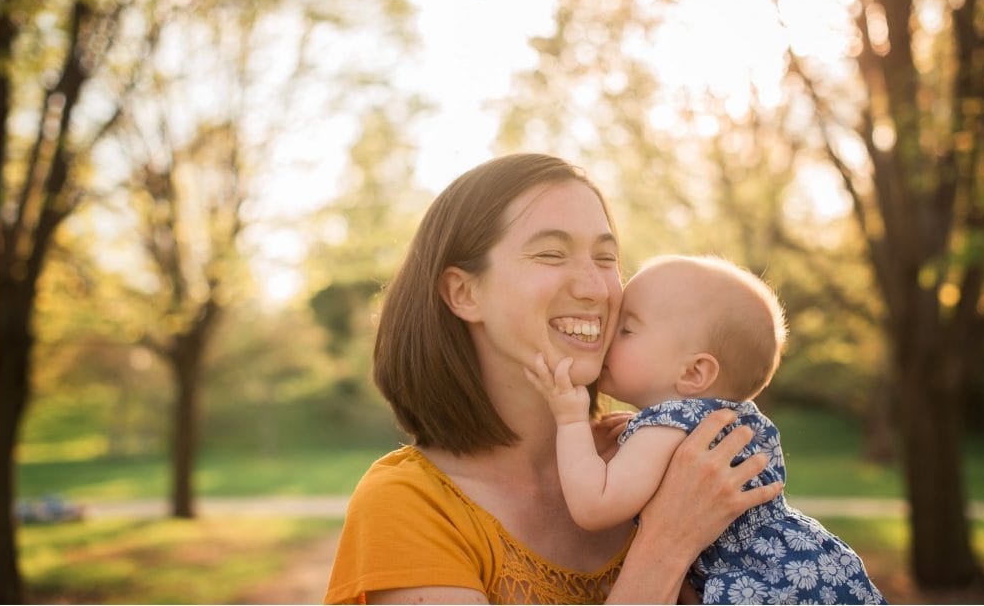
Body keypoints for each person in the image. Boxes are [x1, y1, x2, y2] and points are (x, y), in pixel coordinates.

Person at [324, 154, 784, 604]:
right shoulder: (408, 505)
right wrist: (667, 542)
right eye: (551, 254)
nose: (595, 287)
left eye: (606, 258)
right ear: (464, 293)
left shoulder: (669, 458)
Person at [523, 254, 886, 605]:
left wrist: (570, 418)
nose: (606, 335)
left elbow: (594, 505)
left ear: (693, 373)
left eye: (627, 329)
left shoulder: (666, 427)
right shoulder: (723, 418)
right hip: (811, 566)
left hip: (757, 588)